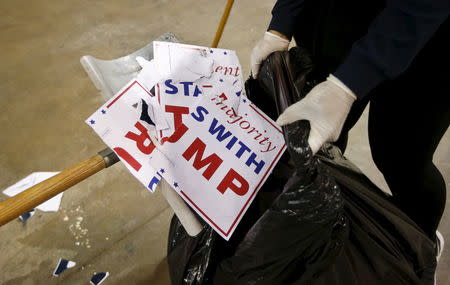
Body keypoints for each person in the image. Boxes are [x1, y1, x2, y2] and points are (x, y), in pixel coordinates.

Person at [251, 0, 449, 254]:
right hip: (339, 13)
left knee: (400, 158)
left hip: (431, 29)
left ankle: (422, 251)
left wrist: (346, 86)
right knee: (313, 144)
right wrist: (280, 24)